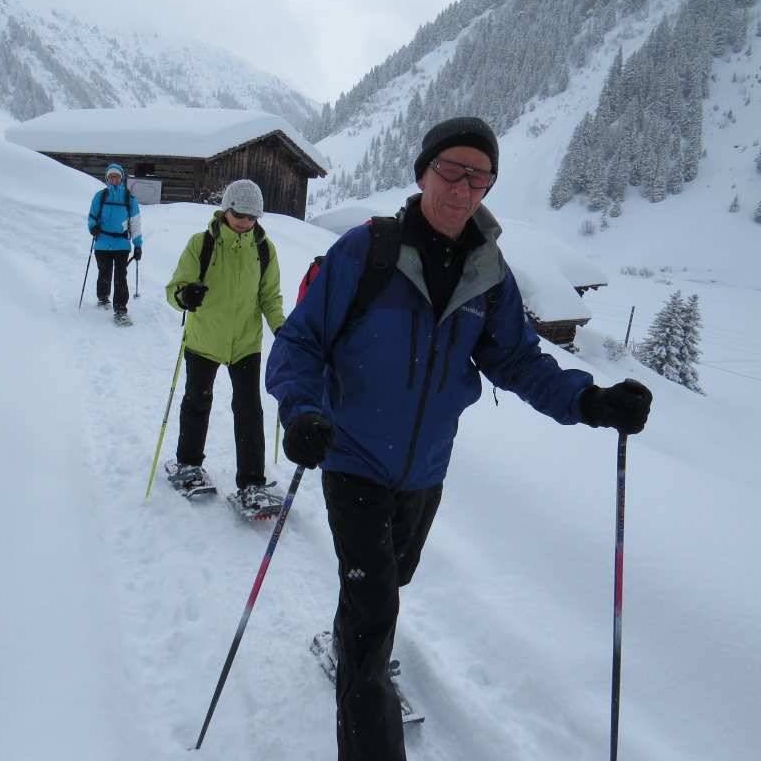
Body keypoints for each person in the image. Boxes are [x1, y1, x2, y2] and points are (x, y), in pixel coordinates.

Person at [265, 116, 652, 761]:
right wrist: (302, 411)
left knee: (386, 586)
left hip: (425, 472)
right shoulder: (367, 252)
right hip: (352, 457)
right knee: (373, 613)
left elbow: (518, 361)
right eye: (451, 170)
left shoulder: (488, 273)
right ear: (424, 173)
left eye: (479, 177)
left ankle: (353, 642)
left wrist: (589, 400)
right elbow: (300, 342)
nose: (463, 188)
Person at [164, 179, 286, 512]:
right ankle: (188, 464)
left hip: (246, 342)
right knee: (197, 400)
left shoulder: (264, 249)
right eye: (239, 214)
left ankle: (252, 485)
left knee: (249, 410)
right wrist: (185, 296)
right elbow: (175, 288)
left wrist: (282, 329)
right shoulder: (201, 243)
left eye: (252, 216)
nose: (245, 221)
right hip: (205, 338)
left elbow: (270, 297)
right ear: (226, 209)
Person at [87, 162, 143, 325]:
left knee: (120, 277)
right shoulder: (100, 196)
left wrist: (138, 245)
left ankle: (120, 310)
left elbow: (135, 223)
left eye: (116, 177)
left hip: (121, 244)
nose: (114, 179)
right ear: (107, 178)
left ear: (121, 178)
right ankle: (103, 297)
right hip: (103, 242)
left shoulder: (129, 199)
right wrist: (93, 227)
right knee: (104, 272)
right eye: (111, 177)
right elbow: (92, 216)